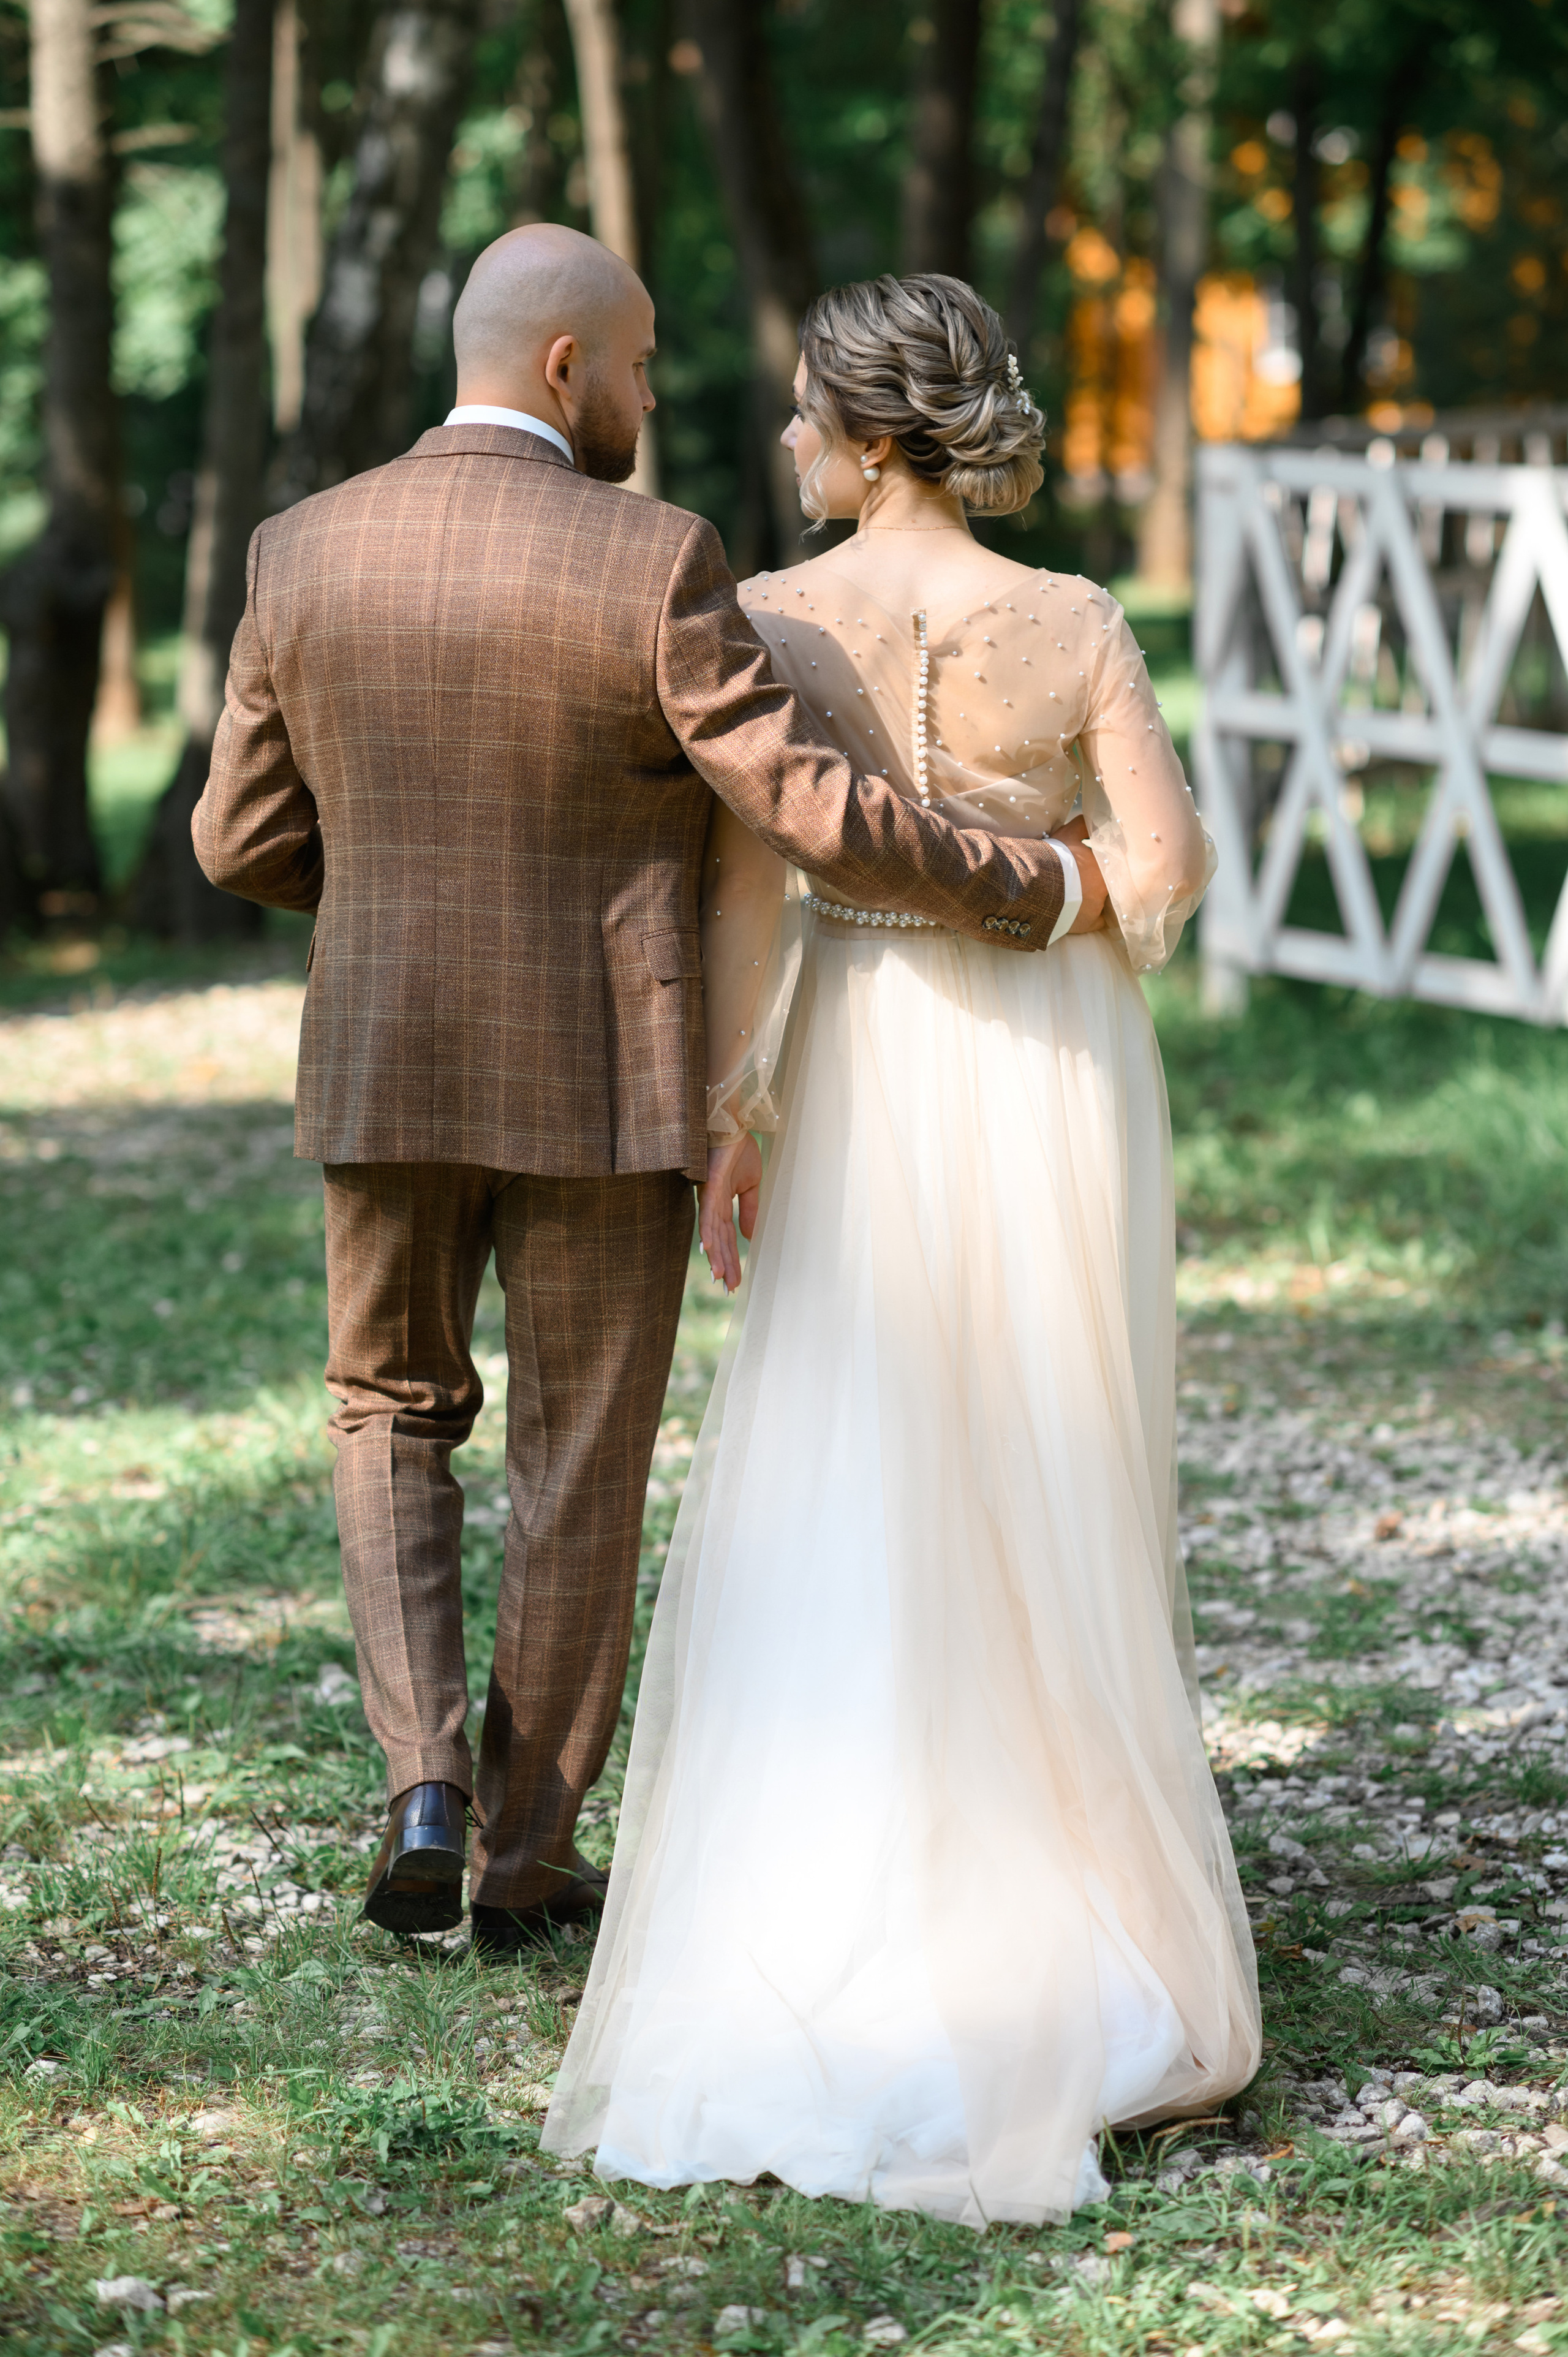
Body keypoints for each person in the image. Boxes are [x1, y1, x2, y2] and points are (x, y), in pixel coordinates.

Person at [192, 229, 1087, 1961]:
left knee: (388, 1411)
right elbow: (807, 799)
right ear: (561, 369)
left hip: (383, 1059)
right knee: (581, 1453)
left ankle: (421, 1787)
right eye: (643, 360)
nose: (658, 393)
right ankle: (526, 1861)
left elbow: (237, 839)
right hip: (606, 1074)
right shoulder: (652, 555)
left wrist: (388, 897)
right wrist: (1023, 884)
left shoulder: (298, 550)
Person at [543, 273, 1261, 2223]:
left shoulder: (770, 619)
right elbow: (1170, 876)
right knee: (1055, 1455)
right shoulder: (1079, 621)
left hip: (857, 1063)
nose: (781, 444)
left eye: (799, 416)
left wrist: (729, 1118)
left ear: (868, 442)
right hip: (1048, 1062)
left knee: (853, 1447)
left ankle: (846, 1900)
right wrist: (1038, 897)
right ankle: (1078, 1914)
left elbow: (752, 892)